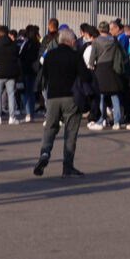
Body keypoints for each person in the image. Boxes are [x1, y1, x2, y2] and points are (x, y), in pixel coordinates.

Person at [33, 24, 87, 177]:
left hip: (53, 97)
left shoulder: (50, 55)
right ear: (71, 42)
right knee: (70, 132)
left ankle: (44, 153)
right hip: (70, 97)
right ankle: (67, 166)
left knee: (50, 128)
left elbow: (46, 74)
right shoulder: (76, 56)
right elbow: (84, 76)